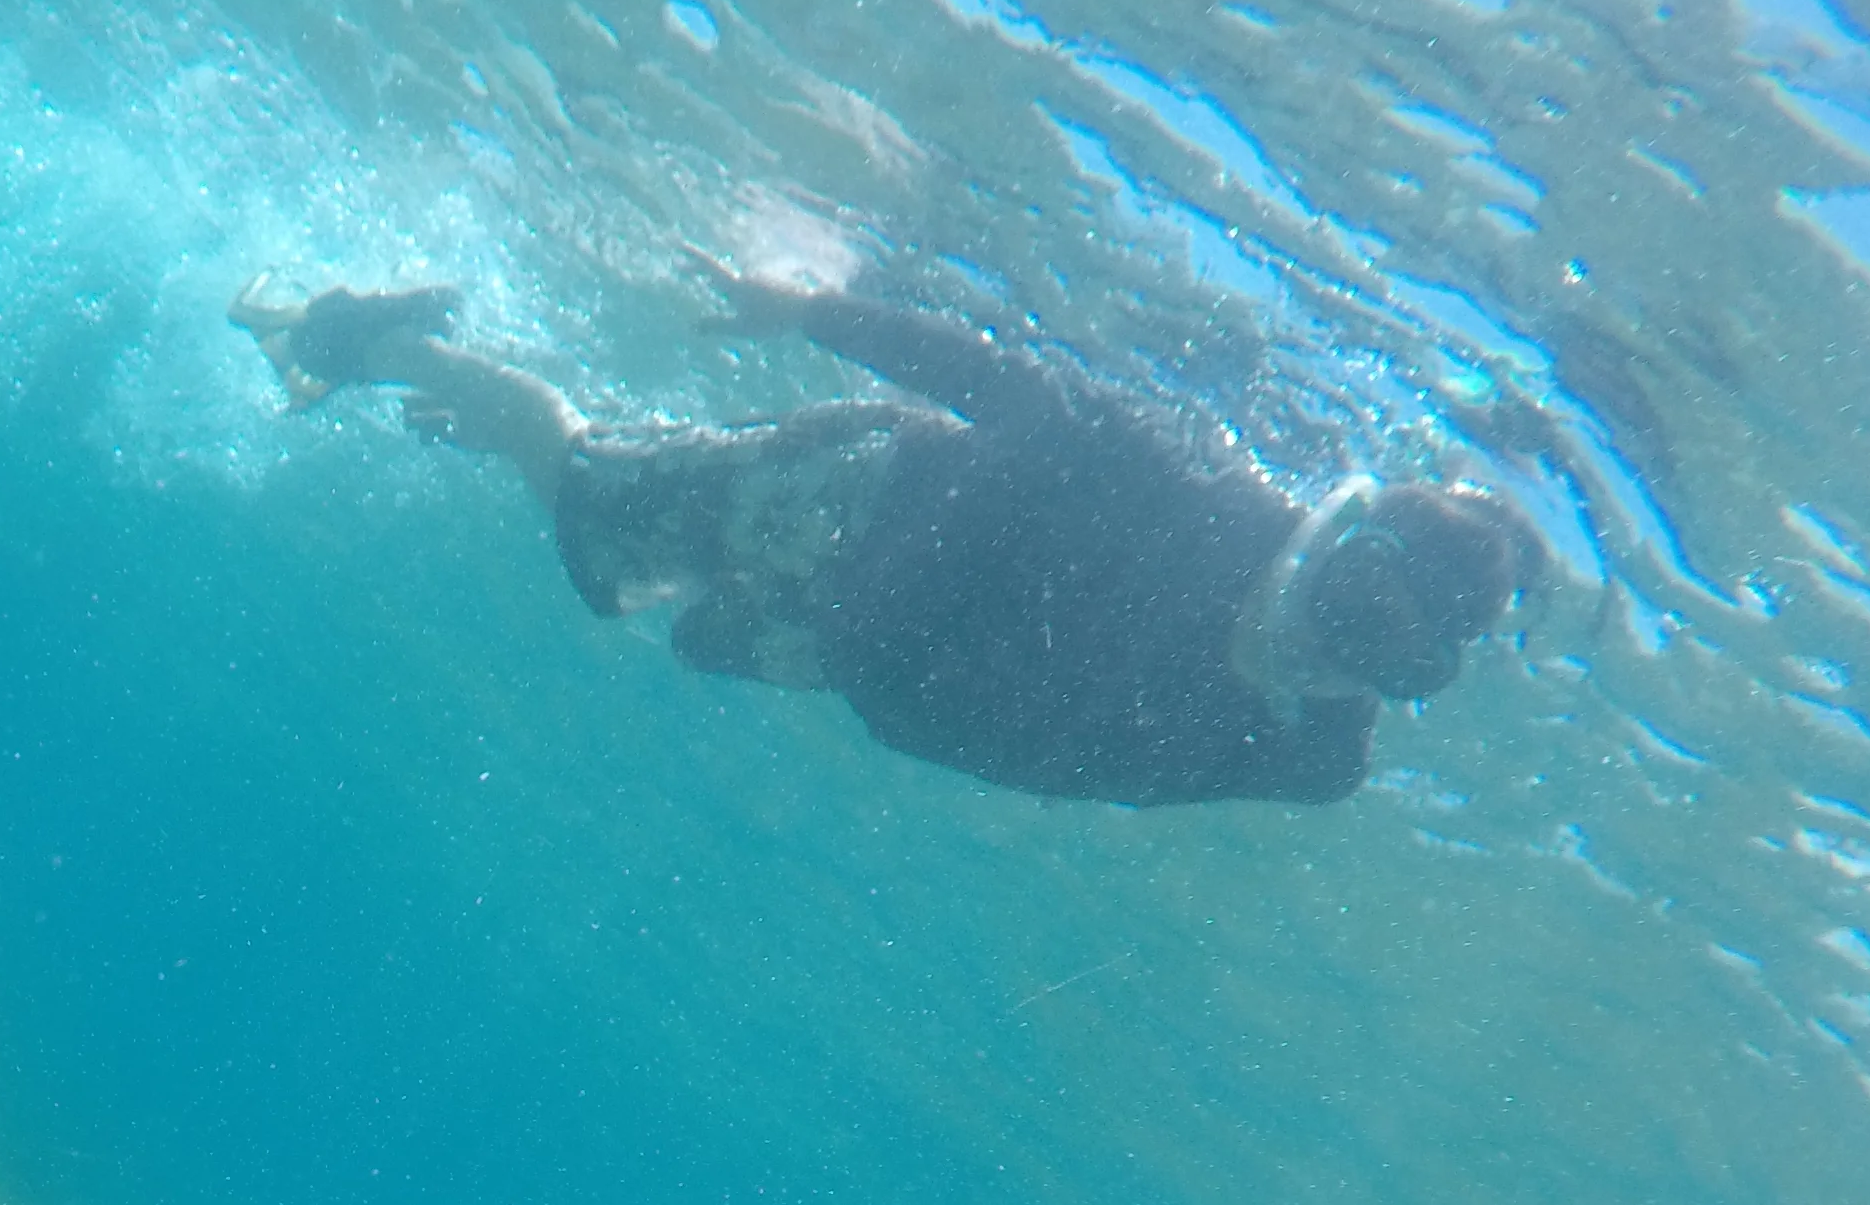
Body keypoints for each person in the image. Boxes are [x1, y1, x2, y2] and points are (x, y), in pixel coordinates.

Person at [231, 266, 1540, 810]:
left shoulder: (1293, 753)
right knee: (592, 508)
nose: (1328, 647)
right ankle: (367, 336)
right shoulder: (1187, 492)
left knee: (614, 514)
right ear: (1334, 535)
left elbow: (1053, 754)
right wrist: (812, 304)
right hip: (863, 505)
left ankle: (439, 376)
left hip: (862, 636)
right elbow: (1012, 385)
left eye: (1386, 660)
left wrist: (858, 668)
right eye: (1356, 601)